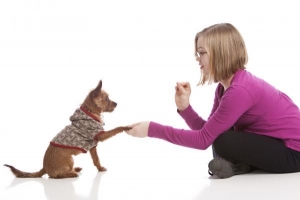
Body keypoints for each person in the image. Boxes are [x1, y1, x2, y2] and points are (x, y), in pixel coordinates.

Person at [125, 23, 300, 179]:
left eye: (202, 53)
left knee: (223, 141)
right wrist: (185, 108)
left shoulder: (239, 91)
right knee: (221, 138)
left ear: (221, 54)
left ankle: (239, 165)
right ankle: (241, 165)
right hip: (270, 143)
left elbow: (204, 140)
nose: (197, 58)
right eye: (197, 53)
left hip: (293, 151)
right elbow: (209, 130)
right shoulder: (224, 88)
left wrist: (152, 129)